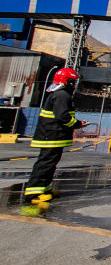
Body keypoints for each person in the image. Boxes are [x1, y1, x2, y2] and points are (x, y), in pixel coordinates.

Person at [24, 68, 87, 204]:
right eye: (73, 82)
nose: (74, 85)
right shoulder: (62, 96)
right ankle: (33, 193)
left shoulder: (59, 94)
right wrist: (77, 124)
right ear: (67, 82)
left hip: (53, 136)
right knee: (45, 164)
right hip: (51, 136)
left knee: (50, 164)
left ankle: (44, 189)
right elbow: (63, 117)